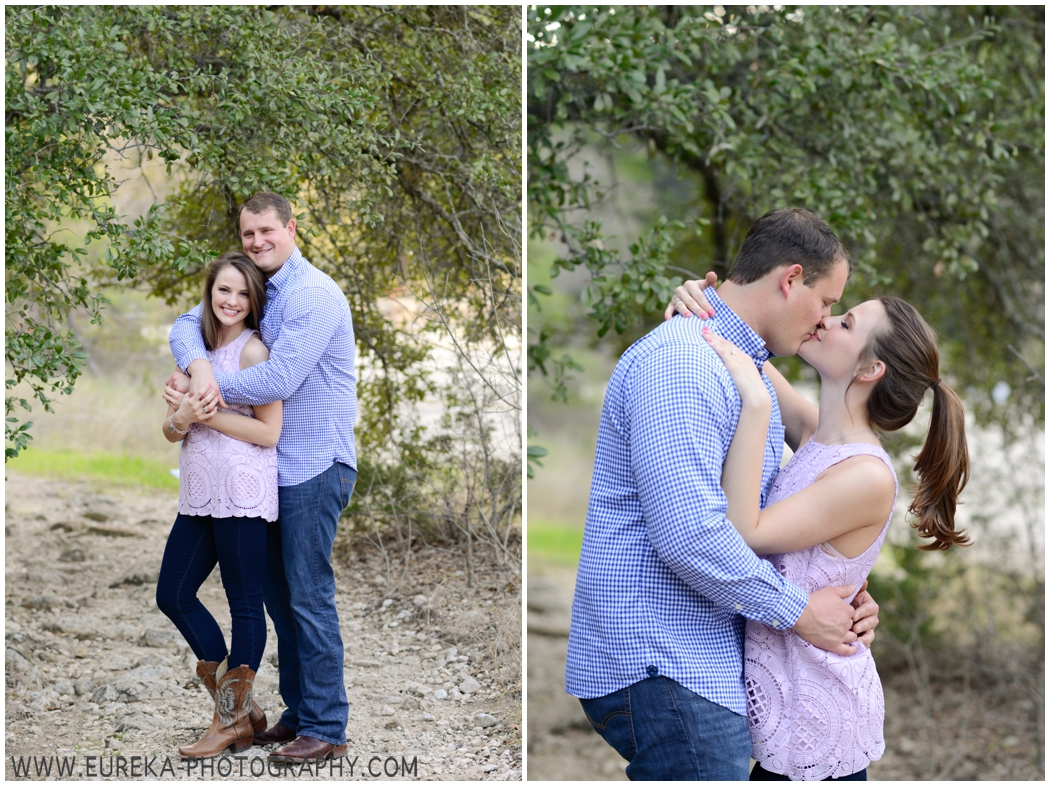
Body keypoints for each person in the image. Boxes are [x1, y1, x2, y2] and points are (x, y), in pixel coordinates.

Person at [566, 208, 881, 781]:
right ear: (790, 280)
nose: (823, 320)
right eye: (828, 302)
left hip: (699, 657)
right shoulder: (683, 364)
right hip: (662, 656)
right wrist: (801, 612)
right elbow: (692, 534)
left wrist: (846, 588)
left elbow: (828, 469)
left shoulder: (742, 366)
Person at [694, 284, 970, 780]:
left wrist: (756, 409)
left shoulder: (865, 476)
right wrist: (698, 297)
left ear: (870, 369)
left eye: (846, 323)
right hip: (785, 709)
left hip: (814, 723)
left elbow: (745, 534)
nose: (827, 319)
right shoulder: (817, 434)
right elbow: (738, 343)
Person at [166, 192, 358, 764]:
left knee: (309, 597)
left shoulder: (314, 294)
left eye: (266, 232)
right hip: (270, 469)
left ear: (291, 229)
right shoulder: (258, 286)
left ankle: (326, 725)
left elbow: (277, 378)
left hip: (314, 463)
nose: (257, 242)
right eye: (248, 234)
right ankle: (298, 714)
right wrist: (200, 361)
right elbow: (186, 322)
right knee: (278, 598)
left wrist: (198, 396)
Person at [157, 251, 281, 758]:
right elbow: (169, 432)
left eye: (243, 293)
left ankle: (229, 721)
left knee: (245, 605)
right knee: (173, 594)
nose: (231, 300)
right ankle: (242, 709)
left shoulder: (254, 352)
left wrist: (206, 416)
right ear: (210, 293)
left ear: (254, 302)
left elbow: (269, 432)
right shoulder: (196, 354)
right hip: (199, 493)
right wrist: (184, 415)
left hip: (243, 491)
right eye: (223, 290)